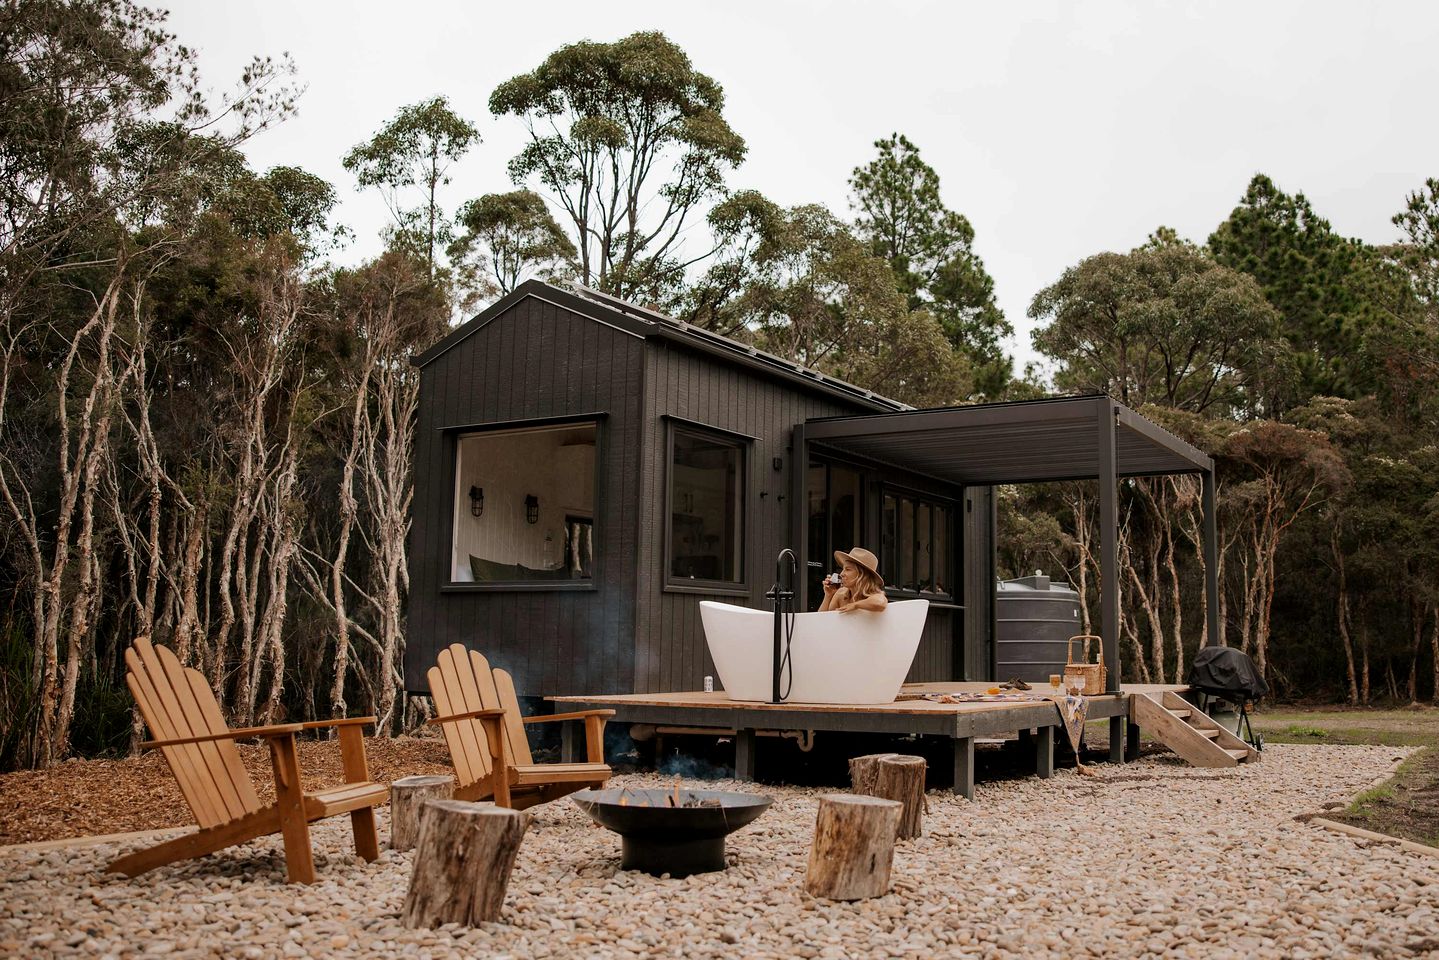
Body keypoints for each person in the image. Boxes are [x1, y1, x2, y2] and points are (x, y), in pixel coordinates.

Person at [819, 546, 889, 613]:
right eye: (843, 569)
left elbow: (880, 602)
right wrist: (828, 596)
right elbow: (821, 619)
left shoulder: (873, 595)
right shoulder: (841, 594)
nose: (841, 574)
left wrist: (855, 605)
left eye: (848, 569)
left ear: (862, 575)